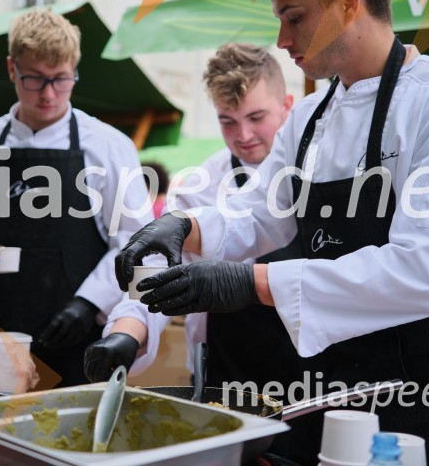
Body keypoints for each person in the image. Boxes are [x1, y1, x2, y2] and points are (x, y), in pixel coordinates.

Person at [115, 0, 429, 465]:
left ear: (348, 2)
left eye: (293, 16)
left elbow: (422, 273)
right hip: (338, 390)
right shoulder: (310, 119)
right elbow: (260, 213)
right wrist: (186, 227)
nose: (281, 39)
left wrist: (248, 282)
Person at [0, 9, 154, 387]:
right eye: (35, 79)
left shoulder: (110, 146)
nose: (49, 94)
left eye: (61, 80)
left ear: (75, 71)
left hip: (80, 334)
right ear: (11, 69)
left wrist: (90, 303)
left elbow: (136, 241)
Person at [86, 43, 296, 382]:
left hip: (312, 366)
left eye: (256, 118)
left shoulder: (320, 173)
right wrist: (125, 334)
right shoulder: (200, 186)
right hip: (224, 367)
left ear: (287, 106)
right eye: (228, 121)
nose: (243, 135)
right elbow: (157, 273)